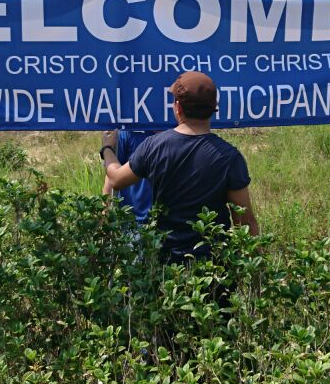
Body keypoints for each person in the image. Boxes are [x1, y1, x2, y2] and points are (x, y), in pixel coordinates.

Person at [100, 71, 259, 264]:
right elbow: (245, 221)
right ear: (214, 108)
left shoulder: (154, 146)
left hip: (166, 265)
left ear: (178, 108)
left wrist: (107, 148)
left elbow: (116, 179)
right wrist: (255, 271)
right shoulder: (230, 157)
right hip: (213, 266)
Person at [101, 129, 157, 224]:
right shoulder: (128, 132)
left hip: (164, 219)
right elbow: (111, 177)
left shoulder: (176, 131)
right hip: (130, 220)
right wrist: (104, 214)